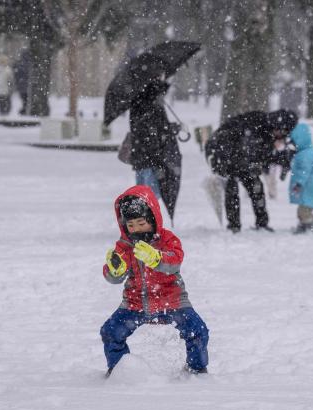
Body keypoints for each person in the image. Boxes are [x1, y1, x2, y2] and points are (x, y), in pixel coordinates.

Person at [100, 185, 209, 377]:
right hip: (135, 303)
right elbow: (113, 277)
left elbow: (175, 261)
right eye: (131, 225)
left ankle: (197, 369)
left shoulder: (168, 239)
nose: (136, 229)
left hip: (173, 301)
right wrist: (114, 270)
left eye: (141, 223)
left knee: (198, 331)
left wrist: (157, 259)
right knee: (110, 331)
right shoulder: (124, 245)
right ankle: (118, 370)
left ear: (152, 218)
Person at [205, 109, 298, 233]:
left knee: (256, 187)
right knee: (232, 189)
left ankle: (262, 223)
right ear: (278, 126)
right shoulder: (254, 123)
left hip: (241, 160)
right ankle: (234, 226)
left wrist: (280, 159)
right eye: (283, 131)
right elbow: (251, 152)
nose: (282, 136)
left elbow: (263, 156)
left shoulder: (268, 132)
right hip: (223, 157)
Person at [129, 79, 180, 200]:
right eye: (162, 93)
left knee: (143, 196)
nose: (163, 96)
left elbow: (151, 129)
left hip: (140, 158)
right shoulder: (152, 106)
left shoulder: (137, 103)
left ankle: (144, 216)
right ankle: (148, 217)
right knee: (151, 197)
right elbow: (157, 130)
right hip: (150, 158)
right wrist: (175, 128)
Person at [288, 122, 313, 234]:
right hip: (309, 188)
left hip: (308, 188)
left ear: (300, 140)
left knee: (304, 210)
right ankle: (304, 225)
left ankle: (309, 226)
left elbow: (304, 171)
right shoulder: (306, 153)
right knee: (303, 209)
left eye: (294, 142)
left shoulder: (306, 155)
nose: (292, 145)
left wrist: (299, 183)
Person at [13, 49, 30, 115]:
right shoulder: (30, 64)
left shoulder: (18, 63)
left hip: (21, 85)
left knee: (23, 99)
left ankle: (24, 109)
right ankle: (25, 109)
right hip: (27, 85)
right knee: (27, 99)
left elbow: (16, 74)